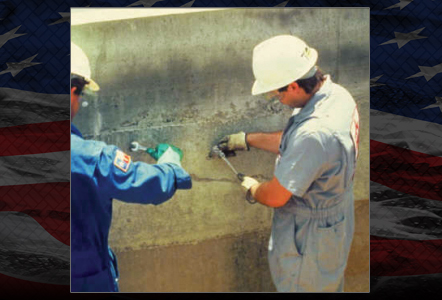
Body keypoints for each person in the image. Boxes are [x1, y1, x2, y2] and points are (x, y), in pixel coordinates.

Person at [216, 35, 360, 292]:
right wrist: (248, 140)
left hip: (310, 235)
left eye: (275, 92)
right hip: (334, 218)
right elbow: (301, 147)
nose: (274, 97)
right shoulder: (337, 96)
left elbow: (276, 197)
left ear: (293, 85)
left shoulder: (314, 134)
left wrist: (253, 188)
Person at [70, 42, 192, 292]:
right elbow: (148, 184)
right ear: (72, 91)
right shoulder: (89, 157)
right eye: (80, 95)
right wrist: (170, 163)